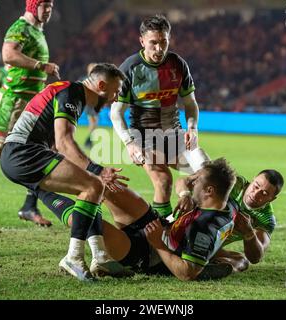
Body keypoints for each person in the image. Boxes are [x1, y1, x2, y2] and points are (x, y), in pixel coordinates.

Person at [0, 63, 131, 281]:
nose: (115, 98)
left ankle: (100, 257)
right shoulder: (72, 93)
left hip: (21, 155)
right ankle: (74, 258)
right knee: (94, 184)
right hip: (23, 153)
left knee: (90, 191)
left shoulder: (71, 92)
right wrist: (98, 169)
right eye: (115, 92)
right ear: (100, 85)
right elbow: (64, 142)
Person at [37, 158, 237, 280]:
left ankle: (36, 187)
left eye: (196, 180)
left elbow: (187, 273)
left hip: (150, 255)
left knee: (88, 221)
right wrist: (185, 194)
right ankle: (49, 166)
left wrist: (158, 243)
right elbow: (182, 181)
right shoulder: (224, 203)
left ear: (209, 190)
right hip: (156, 225)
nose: (191, 181)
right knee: (105, 185)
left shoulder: (205, 228)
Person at [0, 0, 60, 227]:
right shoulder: (20, 28)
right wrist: (41, 65)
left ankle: (29, 207)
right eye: (44, 5)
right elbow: (8, 55)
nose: (48, 10)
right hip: (14, 102)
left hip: (31, 105)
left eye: (50, 5)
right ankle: (29, 206)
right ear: (32, 6)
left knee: (44, 150)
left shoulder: (37, 30)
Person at [111, 14, 207, 220]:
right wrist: (129, 143)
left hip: (174, 133)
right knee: (163, 181)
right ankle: (161, 237)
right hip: (144, 137)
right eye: (153, 42)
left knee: (207, 173)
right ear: (142, 41)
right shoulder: (130, 68)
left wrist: (192, 127)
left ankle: (184, 223)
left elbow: (190, 104)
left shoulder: (178, 64)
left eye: (163, 42)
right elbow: (115, 113)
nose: (159, 48)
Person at [175, 168, 284, 278]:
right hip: (183, 232)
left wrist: (249, 233)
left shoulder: (266, 218)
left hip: (208, 247)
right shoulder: (232, 183)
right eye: (256, 186)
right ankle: (193, 259)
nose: (256, 194)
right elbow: (184, 181)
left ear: (272, 199)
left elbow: (256, 258)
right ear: (253, 179)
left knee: (242, 261)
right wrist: (184, 195)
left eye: (264, 193)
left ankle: (210, 268)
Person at [80, 63, 100, 149]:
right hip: (89, 104)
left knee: (94, 123)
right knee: (93, 122)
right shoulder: (86, 80)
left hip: (94, 104)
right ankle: (88, 141)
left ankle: (89, 141)